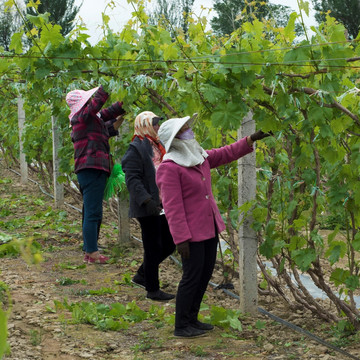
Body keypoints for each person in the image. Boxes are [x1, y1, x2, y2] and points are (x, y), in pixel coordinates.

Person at [156, 115, 270, 338]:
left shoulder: (199, 157)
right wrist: (181, 239)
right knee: (191, 277)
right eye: (185, 129)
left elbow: (226, 153)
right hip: (190, 235)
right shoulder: (169, 168)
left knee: (205, 274)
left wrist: (252, 139)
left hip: (208, 228)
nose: (190, 131)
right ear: (176, 138)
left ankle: (193, 319)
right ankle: (181, 325)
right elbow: (172, 207)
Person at [66, 85, 126, 264]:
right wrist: (108, 85)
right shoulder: (81, 117)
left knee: (92, 212)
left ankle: (89, 249)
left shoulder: (91, 119)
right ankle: (92, 252)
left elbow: (107, 114)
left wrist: (125, 101)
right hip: (91, 170)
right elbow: (98, 106)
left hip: (94, 170)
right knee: (93, 212)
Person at [121, 111, 176, 301]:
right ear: (144, 125)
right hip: (147, 206)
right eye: (154, 124)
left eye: (158, 124)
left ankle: (142, 274)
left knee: (169, 244)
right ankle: (152, 289)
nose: (157, 127)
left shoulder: (157, 145)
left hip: (161, 203)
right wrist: (146, 200)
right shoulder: (135, 149)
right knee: (153, 247)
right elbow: (132, 179)